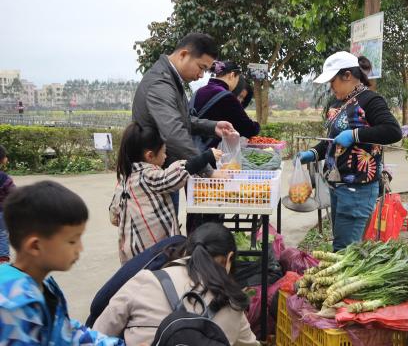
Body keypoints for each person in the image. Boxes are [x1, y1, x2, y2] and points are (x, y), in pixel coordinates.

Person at [297, 52, 403, 251]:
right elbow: (332, 141)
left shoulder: (370, 100)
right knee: (341, 243)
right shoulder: (338, 104)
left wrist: (355, 135)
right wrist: (312, 153)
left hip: (358, 188)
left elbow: (393, 131)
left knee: (345, 249)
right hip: (338, 185)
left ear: (347, 75)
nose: (331, 87)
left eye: (333, 81)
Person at [93, 223, 259, 346]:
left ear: (187, 249)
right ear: (229, 258)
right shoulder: (233, 304)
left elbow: (97, 334)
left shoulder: (145, 280)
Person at [0, 181, 123, 345]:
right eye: (72, 241)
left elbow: (65, 331)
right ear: (35, 246)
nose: (80, 248)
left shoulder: (45, 284)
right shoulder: (15, 305)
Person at [131, 33, 235, 222]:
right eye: (201, 67)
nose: (201, 75)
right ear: (183, 55)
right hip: (154, 175)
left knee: (168, 226)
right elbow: (173, 132)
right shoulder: (160, 83)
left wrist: (213, 127)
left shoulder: (172, 79)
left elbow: (183, 119)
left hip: (165, 168)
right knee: (159, 232)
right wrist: (208, 170)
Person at [109, 122, 222, 264]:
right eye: (163, 152)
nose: (166, 155)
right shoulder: (148, 175)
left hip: (132, 248)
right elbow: (172, 176)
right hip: (152, 250)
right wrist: (206, 156)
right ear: (150, 155)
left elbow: (113, 216)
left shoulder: (125, 178)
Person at [191, 60, 260, 149]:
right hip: (206, 152)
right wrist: (257, 125)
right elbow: (249, 129)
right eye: (238, 79)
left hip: (189, 143)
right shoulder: (226, 97)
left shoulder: (199, 91)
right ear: (232, 75)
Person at [0, 145, 15, 263]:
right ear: (3, 159)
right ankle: (3, 261)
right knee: (2, 235)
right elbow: (14, 194)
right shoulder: (4, 178)